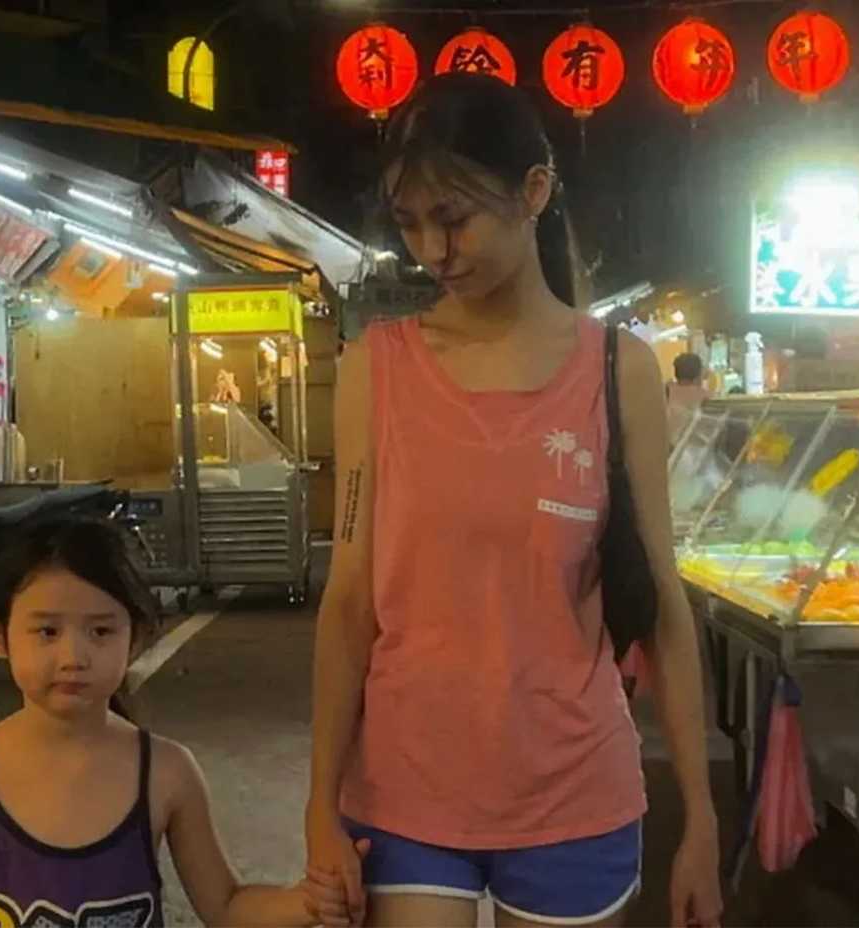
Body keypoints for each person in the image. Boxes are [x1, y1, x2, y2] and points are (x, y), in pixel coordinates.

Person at [304, 74, 722, 928]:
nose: (433, 249)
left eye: (454, 218)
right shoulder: (375, 369)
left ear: (534, 191)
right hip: (404, 788)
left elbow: (662, 601)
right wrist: (317, 802)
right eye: (412, 223)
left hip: (575, 788)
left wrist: (704, 823)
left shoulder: (618, 369)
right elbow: (348, 602)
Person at [0, 518, 338, 927]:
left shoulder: (167, 772)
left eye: (100, 631)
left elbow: (226, 905)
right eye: (47, 631)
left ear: (134, 638)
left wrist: (307, 903)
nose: (73, 657)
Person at [667, 352, 709, 446]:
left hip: (668, 451)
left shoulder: (666, 391)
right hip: (689, 452)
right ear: (698, 374)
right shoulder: (701, 394)